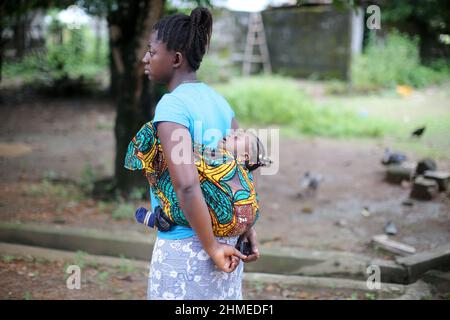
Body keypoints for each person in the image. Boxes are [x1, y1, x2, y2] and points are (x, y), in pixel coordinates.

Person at [139, 7, 260, 300]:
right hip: (228, 241)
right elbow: (244, 171)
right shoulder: (219, 102)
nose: (145, 58)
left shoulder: (172, 107)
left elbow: (187, 184)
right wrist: (246, 226)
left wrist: (211, 247)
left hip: (188, 246)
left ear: (176, 59)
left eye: (152, 52)